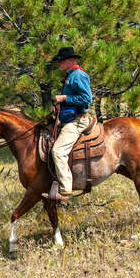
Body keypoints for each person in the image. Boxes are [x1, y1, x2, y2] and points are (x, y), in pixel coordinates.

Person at [42, 47, 93, 202]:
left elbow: (87, 99)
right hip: (69, 118)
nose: (59, 64)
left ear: (70, 61)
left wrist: (64, 98)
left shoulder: (78, 75)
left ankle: (65, 191)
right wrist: (59, 106)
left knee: (58, 151)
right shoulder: (70, 76)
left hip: (77, 121)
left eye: (61, 60)